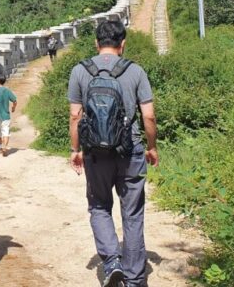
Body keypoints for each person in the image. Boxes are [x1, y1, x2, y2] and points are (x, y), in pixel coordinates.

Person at [67, 20, 158, 287]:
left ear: (96, 43)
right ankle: (134, 278)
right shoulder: (136, 71)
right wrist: (152, 146)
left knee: (99, 205)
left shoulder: (80, 71)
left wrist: (75, 150)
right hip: (130, 150)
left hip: (95, 152)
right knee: (132, 212)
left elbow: (75, 115)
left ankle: (111, 263)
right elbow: (149, 116)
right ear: (123, 44)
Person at [0, 80, 17, 156]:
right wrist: (13, 108)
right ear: (4, 82)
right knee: (6, 132)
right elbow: (15, 101)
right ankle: (4, 147)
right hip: (6, 115)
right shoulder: (7, 90)